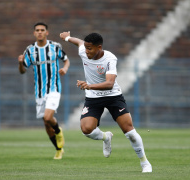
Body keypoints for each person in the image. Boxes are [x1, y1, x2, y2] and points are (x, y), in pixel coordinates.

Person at [59, 31, 152, 172]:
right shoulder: (83, 50)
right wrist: (66, 38)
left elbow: (109, 83)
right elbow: (78, 42)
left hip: (113, 96)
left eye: (89, 48)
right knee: (86, 129)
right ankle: (105, 137)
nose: (86, 51)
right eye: (86, 47)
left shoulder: (110, 59)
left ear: (99, 47)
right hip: (93, 97)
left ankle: (144, 163)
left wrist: (89, 85)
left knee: (130, 132)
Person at [18, 22, 70, 159]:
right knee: (46, 123)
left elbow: (66, 60)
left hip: (54, 88)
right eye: (37, 30)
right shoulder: (29, 50)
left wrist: (64, 69)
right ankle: (59, 149)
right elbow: (23, 70)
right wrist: (20, 63)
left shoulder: (54, 47)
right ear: (34, 33)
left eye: (42, 30)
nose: (40, 32)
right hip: (39, 92)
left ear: (47, 32)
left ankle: (58, 131)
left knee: (48, 117)